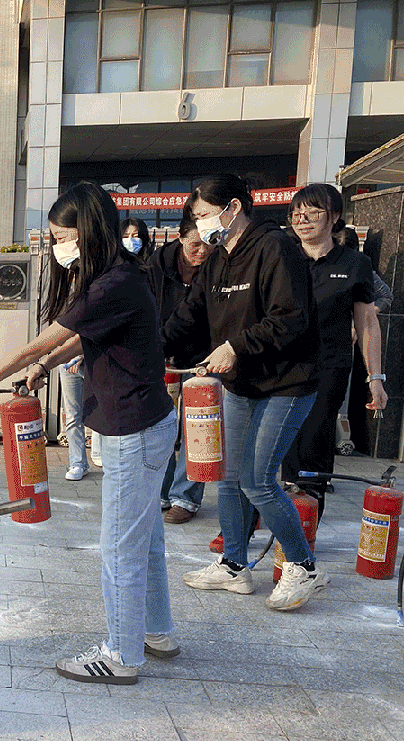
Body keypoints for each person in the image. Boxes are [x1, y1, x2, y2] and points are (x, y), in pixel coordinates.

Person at [0, 182, 178, 685]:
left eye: (63, 237)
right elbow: (79, 338)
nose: (59, 247)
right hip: (147, 423)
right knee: (145, 539)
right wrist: (47, 366)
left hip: (133, 431)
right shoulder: (120, 274)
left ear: (89, 231)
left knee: (120, 549)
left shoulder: (110, 283)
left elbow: (33, 345)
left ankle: (121, 655)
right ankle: (157, 632)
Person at [163, 174, 327, 612]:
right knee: (230, 476)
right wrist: (149, 350)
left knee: (257, 480)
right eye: (195, 217)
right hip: (242, 383)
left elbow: (290, 317)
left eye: (204, 215)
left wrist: (235, 346)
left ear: (233, 208)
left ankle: (303, 566)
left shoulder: (276, 247)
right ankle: (234, 565)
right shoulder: (218, 259)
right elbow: (189, 314)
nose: (200, 225)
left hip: (287, 382)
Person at [281, 184, 386, 516]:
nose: (303, 219)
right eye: (297, 213)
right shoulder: (281, 257)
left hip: (329, 366)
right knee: (277, 443)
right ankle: (267, 515)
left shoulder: (355, 263)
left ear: (335, 216)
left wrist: (376, 378)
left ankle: (305, 524)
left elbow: (367, 322)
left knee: (314, 438)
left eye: (313, 212)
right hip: (281, 366)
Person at [148, 218, 213, 524]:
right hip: (163, 353)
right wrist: (160, 348)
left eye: (208, 244)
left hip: (205, 357)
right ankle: (161, 490)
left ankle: (186, 497)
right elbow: (148, 309)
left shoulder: (218, 264)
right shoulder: (156, 265)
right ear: (180, 238)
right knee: (161, 426)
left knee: (197, 429)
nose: (202, 251)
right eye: (195, 244)